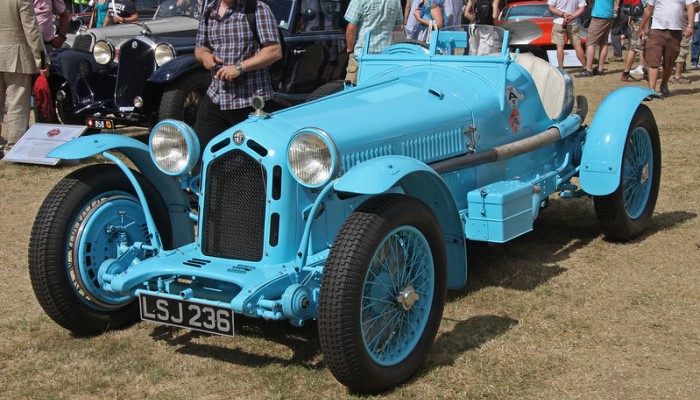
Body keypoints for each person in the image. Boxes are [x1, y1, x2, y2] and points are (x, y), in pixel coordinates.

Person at [193, 0, 282, 151]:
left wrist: (239, 68)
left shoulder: (257, 8)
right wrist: (205, 57)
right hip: (216, 97)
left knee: (251, 160)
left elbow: (274, 51)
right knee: (202, 152)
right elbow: (200, 48)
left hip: (249, 102)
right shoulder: (209, 11)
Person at [1, 0, 50, 158]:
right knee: (17, 104)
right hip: (15, 56)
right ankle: (13, 147)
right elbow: (31, 29)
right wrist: (41, 59)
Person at [638, 0, 695, 97]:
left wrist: (690, 25)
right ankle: (652, 90)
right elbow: (649, 9)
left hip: (675, 31)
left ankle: (664, 84)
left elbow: (691, 7)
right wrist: (641, 27)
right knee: (653, 60)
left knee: (669, 62)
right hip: (657, 30)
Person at [345, 0, 403, 84]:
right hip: (386, 57)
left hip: (362, 56)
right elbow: (399, 28)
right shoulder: (396, 1)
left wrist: (350, 51)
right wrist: (397, 52)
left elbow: (351, 28)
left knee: (353, 91)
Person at [576, 0, 615, 77]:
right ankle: (600, 68)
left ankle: (589, 69)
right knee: (604, 43)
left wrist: (590, 4)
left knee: (590, 43)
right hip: (609, 14)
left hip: (599, 15)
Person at [547, 0, 588, 69]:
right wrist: (572, 16)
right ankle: (585, 67)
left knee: (560, 47)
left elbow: (550, 7)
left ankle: (561, 68)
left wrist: (563, 14)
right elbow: (582, 8)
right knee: (577, 45)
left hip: (559, 22)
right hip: (573, 22)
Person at [620, 0, 648, 81]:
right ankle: (625, 73)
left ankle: (646, 72)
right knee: (634, 48)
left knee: (643, 47)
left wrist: (630, 16)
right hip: (641, 21)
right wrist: (646, 25)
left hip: (635, 18)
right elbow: (647, 8)